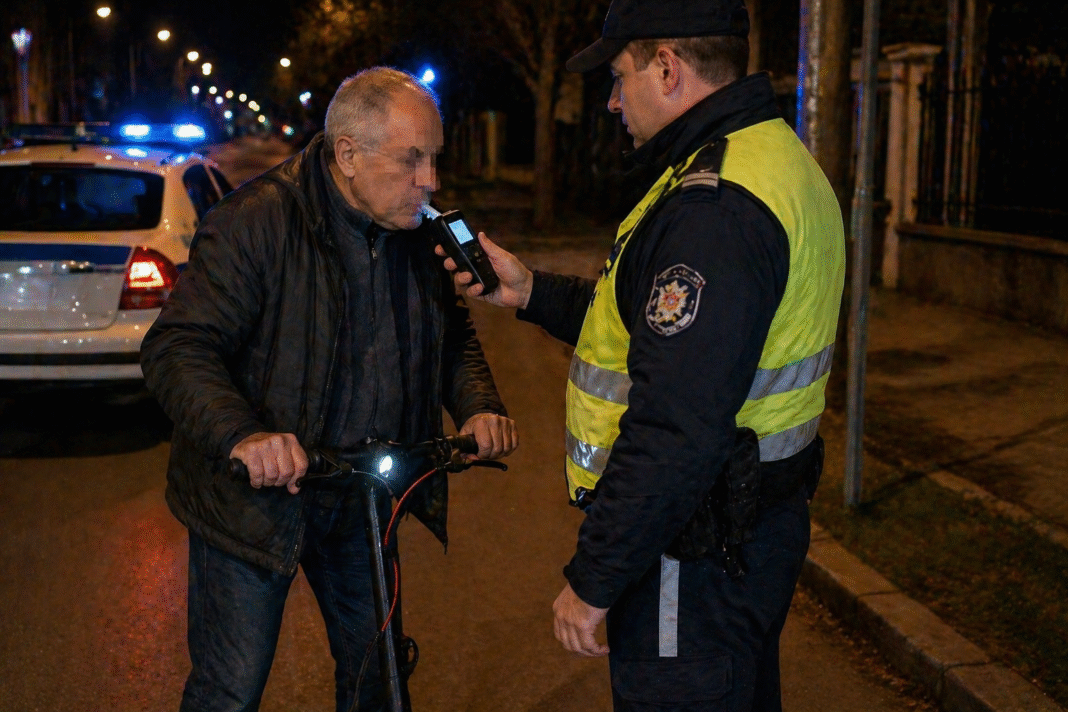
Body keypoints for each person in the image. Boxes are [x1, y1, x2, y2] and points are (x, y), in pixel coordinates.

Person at [438, 1, 845, 709]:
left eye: (619, 76)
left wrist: (595, 578)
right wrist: (531, 292)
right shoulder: (769, 158)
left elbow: (676, 426)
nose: (612, 100)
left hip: (693, 554)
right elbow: (653, 330)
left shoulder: (713, 209)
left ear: (666, 68)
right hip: (749, 533)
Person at [140, 67, 518, 712]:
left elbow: (450, 333)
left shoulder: (417, 230)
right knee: (230, 690)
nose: (429, 180)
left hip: (362, 498)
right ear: (348, 154)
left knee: (379, 680)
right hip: (255, 505)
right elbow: (177, 347)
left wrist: (479, 405)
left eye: (434, 159)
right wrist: (245, 436)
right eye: (411, 160)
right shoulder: (254, 222)